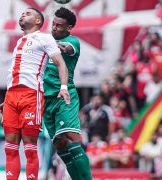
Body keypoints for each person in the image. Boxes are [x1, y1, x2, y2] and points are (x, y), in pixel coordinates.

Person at [0, 7, 70, 180]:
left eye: (27, 13)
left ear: (38, 21)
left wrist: (64, 88)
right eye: (22, 13)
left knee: (29, 145)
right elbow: (17, 72)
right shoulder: (18, 42)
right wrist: (7, 98)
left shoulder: (45, 38)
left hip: (31, 95)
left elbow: (61, 64)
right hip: (11, 97)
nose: (23, 14)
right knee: (10, 146)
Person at [43, 7, 92, 179]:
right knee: (60, 144)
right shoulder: (45, 40)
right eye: (53, 24)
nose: (54, 27)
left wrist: (45, 42)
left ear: (69, 28)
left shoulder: (73, 41)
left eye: (59, 25)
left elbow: (67, 48)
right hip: (45, 99)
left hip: (63, 95)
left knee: (71, 135)